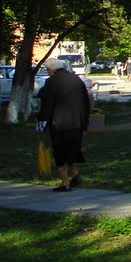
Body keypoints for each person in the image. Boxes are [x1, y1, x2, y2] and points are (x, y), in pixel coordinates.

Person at [35, 57, 91, 192]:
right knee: (71, 150)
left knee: (60, 152)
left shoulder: (52, 82)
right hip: (77, 122)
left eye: (47, 70)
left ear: (50, 69)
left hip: (59, 122)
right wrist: (85, 124)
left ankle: (65, 182)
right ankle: (75, 175)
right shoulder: (76, 79)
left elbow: (47, 104)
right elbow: (86, 102)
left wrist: (41, 122)